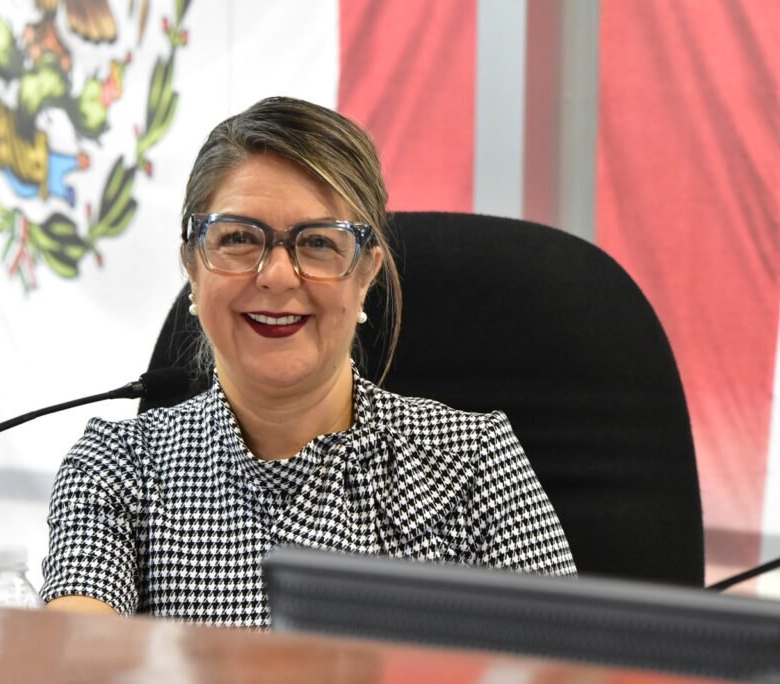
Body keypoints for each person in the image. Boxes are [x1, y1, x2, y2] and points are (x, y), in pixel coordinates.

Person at [41, 96, 576, 627]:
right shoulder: (117, 467)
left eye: (318, 242)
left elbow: (565, 661)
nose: (277, 276)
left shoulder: (472, 463)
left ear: (366, 272)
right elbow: (77, 652)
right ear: (192, 265)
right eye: (238, 238)